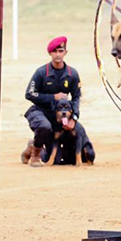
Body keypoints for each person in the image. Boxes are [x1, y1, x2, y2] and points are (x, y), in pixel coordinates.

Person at [22, 36, 83, 167]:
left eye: (61, 51)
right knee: (45, 126)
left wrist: (75, 117)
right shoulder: (41, 72)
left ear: (65, 52)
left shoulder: (72, 74)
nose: (57, 55)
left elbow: (77, 97)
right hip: (40, 112)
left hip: (59, 116)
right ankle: (35, 155)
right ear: (50, 53)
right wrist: (52, 97)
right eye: (54, 51)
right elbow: (29, 93)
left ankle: (33, 146)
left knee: (55, 160)